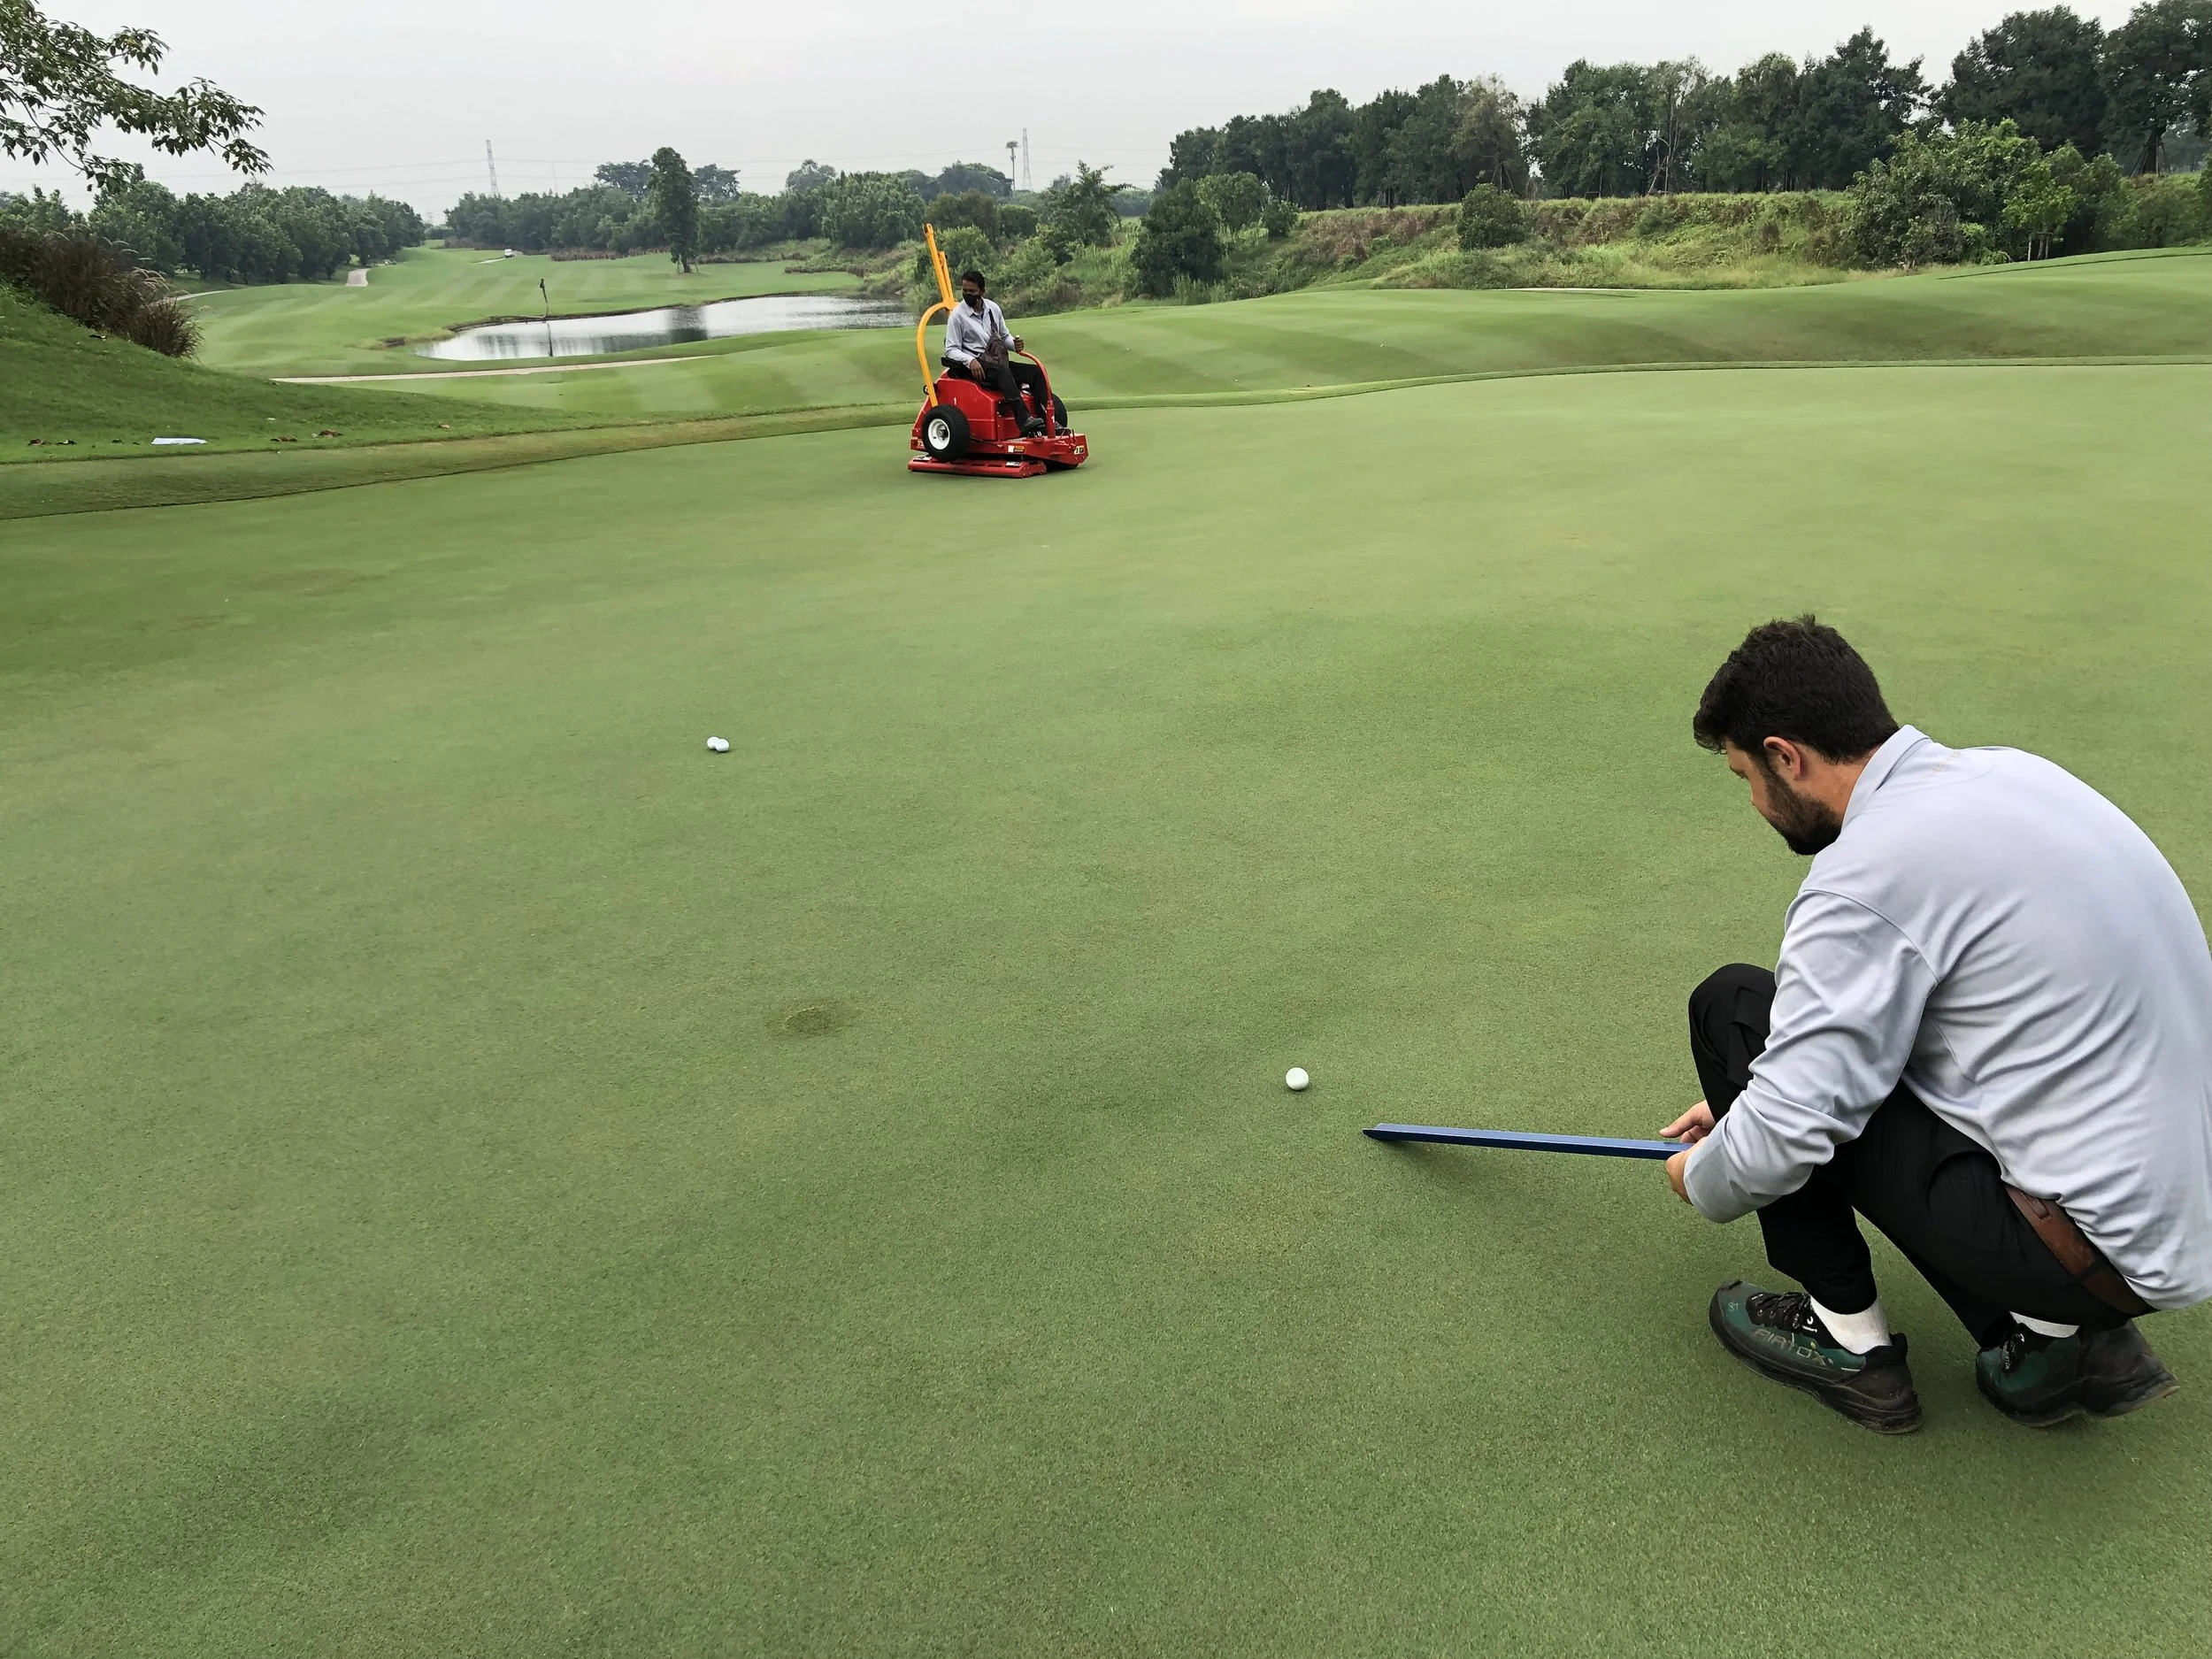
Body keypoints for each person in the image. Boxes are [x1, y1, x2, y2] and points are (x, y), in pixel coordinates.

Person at [1663, 617, 2212, 1432]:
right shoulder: (2013, 774)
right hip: (2178, 1218)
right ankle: (2061, 1341)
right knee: (1816, 1062)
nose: (1753, 801)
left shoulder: (1864, 873)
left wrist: (1705, 1176)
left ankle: (1851, 1343)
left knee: (1735, 1007)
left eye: (1747, 774)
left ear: (1787, 755)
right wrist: (1765, 1089)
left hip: (2092, 1251)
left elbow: (1789, 1129)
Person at [942, 269, 1047, 435]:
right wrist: (970, 361)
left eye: (972, 291)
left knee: (1035, 372)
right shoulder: (957, 317)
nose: (967, 294)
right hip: (976, 364)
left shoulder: (993, 309)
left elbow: (1004, 336)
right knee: (1003, 372)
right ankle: (1024, 420)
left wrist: (1014, 344)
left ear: (982, 292)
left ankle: (1048, 420)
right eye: (965, 291)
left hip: (996, 361)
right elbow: (951, 349)